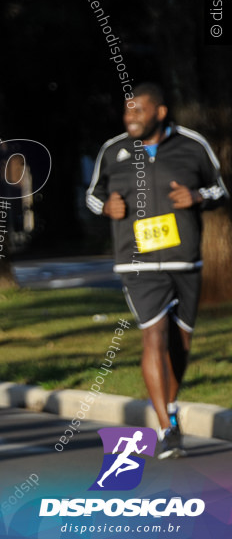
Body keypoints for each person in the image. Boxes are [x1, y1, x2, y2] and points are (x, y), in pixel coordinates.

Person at [86, 83, 227, 458]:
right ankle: (166, 428)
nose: (130, 117)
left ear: (160, 112)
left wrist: (197, 196)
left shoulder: (192, 145)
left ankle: (171, 407)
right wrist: (105, 208)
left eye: (138, 111)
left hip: (185, 259)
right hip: (136, 261)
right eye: (127, 111)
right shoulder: (113, 150)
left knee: (180, 342)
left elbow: (220, 190)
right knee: (153, 335)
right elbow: (92, 194)